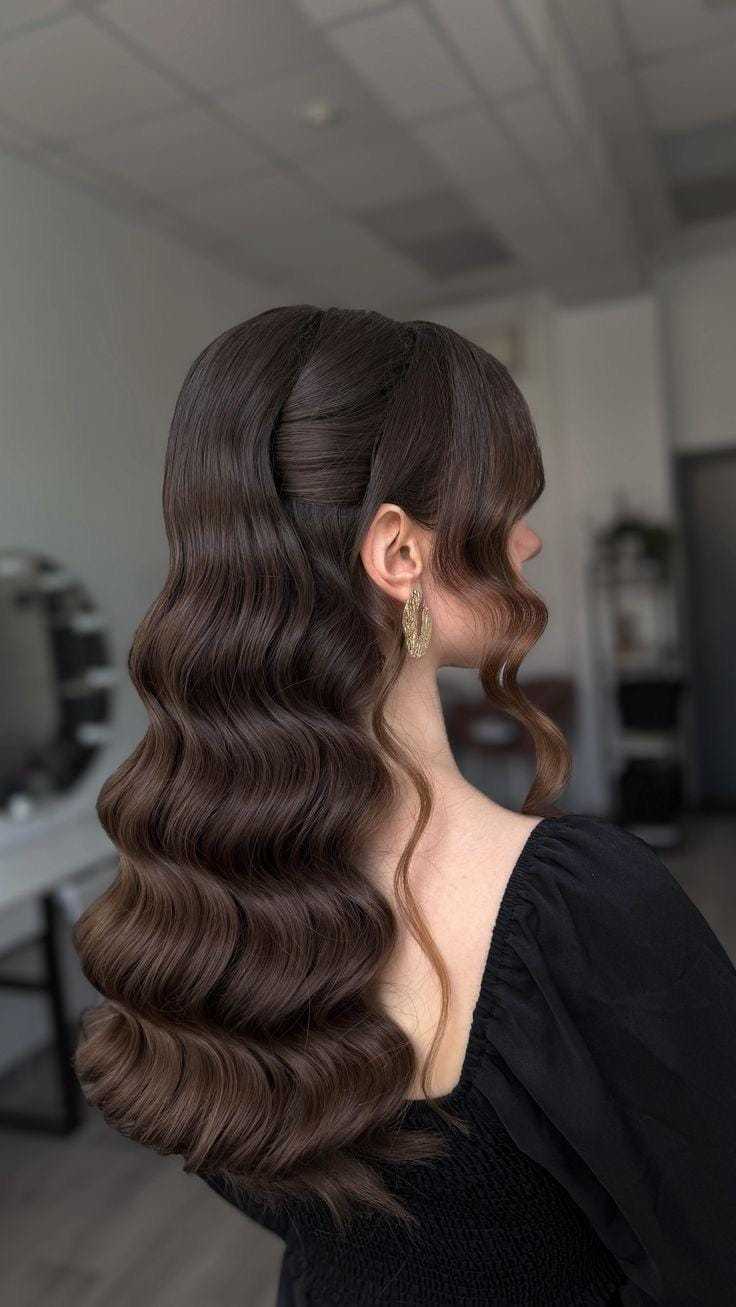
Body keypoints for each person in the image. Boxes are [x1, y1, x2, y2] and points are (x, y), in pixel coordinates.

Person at [73, 306, 736, 1306]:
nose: (529, 536)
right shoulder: (581, 909)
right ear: (398, 553)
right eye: (507, 501)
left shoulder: (187, 880)